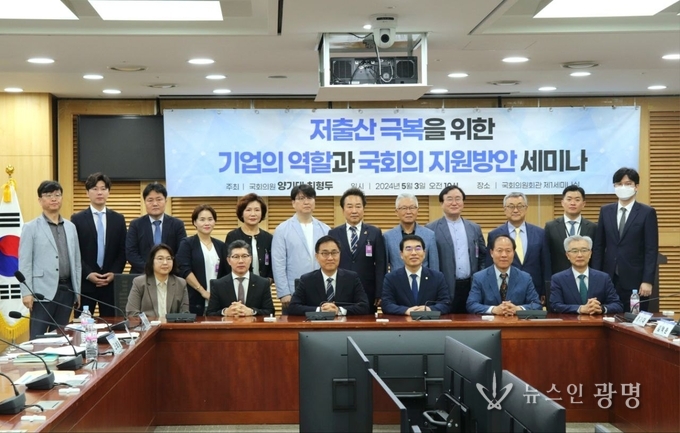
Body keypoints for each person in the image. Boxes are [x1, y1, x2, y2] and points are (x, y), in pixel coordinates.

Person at [19, 181, 82, 339]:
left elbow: (76, 262)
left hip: (67, 290)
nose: (54, 199)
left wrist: (77, 291)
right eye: (48, 195)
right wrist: (26, 293)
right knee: (37, 337)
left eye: (57, 195)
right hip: (41, 292)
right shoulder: (30, 227)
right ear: (40, 200)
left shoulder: (70, 227)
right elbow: (25, 262)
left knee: (61, 337)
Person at [592, 167, 659, 312]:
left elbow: (651, 249)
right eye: (619, 184)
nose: (623, 187)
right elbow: (599, 247)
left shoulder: (647, 212)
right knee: (606, 318)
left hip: (635, 280)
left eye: (628, 184)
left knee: (633, 320)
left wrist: (647, 280)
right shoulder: (605, 211)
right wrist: (596, 277)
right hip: (608, 278)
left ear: (636, 187)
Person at [71, 172, 127, 318]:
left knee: (112, 324)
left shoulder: (118, 219)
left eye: (103, 188)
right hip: (85, 283)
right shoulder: (77, 219)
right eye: (95, 189)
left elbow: (123, 251)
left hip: (110, 284)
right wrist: (88, 274)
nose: (99, 192)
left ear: (109, 192)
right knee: (82, 325)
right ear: (87, 193)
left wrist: (114, 273)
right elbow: (74, 251)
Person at [426, 185, 486, 313]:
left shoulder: (474, 228)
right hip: (444, 286)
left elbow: (482, 256)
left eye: (458, 199)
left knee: (472, 320)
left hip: (471, 286)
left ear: (463, 202)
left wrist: (479, 278)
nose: (454, 203)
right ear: (441, 203)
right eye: (449, 199)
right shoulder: (431, 229)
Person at [272, 184, 330, 311]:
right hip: (293, 292)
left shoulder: (325, 229)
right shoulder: (282, 229)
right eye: (301, 198)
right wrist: (283, 292)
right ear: (293, 203)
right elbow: (278, 263)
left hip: (321, 290)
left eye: (310, 198)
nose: (306, 202)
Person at [328, 188, 386, 313]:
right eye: (349, 206)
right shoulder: (333, 233)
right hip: (341, 289)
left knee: (367, 322)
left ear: (363, 208)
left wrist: (379, 292)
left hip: (367, 290)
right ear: (343, 210)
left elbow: (381, 265)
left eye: (358, 206)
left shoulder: (374, 232)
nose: (354, 211)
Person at [486, 192, 551, 303]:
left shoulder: (540, 233)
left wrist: (545, 291)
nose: (515, 210)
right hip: (504, 290)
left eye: (520, 206)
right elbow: (489, 265)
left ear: (526, 208)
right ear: (504, 209)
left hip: (534, 290)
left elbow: (546, 264)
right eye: (511, 206)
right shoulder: (494, 234)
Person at [288, 236, 369, 316]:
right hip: (315, 324)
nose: (330, 258)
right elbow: (293, 307)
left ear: (340, 254)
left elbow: (364, 306)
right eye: (325, 253)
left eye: (334, 253)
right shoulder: (307, 280)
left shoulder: (352, 278)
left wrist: (339, 310)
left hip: (343, 323)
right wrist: (320, 310)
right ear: (317, 257)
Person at [467, 235, 542, 315]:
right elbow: (471, 305)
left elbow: (537, 305)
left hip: (516, 322)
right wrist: (494, 309)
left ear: (513, 253)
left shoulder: (525, 278)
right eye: (499, 250)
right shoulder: (479, 277)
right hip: (491, 322)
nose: (504, 255)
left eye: (508, 251)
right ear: (491, 253)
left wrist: (518, 309)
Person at [176, 205, 228, 315]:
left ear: (214, 222)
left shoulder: (221, 245)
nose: (207, 223)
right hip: (194, 299)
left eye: (210, 219)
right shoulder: (187, 243)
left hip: (217, 301)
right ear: (195, 222)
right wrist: (203, 291)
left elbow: (225, 273)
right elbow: (184, 270)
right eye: (202, 220)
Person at [550, 235, 623, 315]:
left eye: (584, 250)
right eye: (574, 251)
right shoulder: (558, 279)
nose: (580, 255)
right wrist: (580, 309)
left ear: (590, 253)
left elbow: (617, 305)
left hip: (597, 322)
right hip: (570, 322)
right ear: (567, 255)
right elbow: (555, 306)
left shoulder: (603, 278)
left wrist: (601, 308)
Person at [381, 235, 451, 316]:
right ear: (401, 254)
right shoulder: (391, 278)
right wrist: (406, 310)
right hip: (402, 322)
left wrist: (429, 309)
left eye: (418, 248)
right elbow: (386, 305)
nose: (414, 253)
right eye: (408, 249)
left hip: (429, 322)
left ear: (424, 253)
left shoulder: (437, 277)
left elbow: (446, 304)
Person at [126, 182, 187, 274]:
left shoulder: (177, 224)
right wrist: (150, 270)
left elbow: (181, 252)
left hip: (170, 275)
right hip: (142, 275)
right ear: (145, 202)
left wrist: (166, 269)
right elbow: (131, 253)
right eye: (150, 200)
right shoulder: (136, 225)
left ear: (165, 201)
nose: (155, 204)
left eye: (159, 199)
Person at [206, 240, 274, 317]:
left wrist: (252, 312)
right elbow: (210, 314)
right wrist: (225, 312)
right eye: (236, 257)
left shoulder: (263, 283)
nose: (241, 261)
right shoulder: (218, 285)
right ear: (228, 260)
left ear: (250, 259)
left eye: (244, 256)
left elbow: (270, 312)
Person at [544, 185, 597, 275]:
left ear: (583, 204)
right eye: (569, 199)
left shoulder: (593, 227)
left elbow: (596, 255)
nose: (573, 203)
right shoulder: (550, 227)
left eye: (577, 200)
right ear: (562, 203)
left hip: (585, 275)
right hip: (558, 276)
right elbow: (546, 256)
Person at [126, 243, 189, 318]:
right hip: (147, 325)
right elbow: (132, 314)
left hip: (172, 325)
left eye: (169, 259)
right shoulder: (139, 282)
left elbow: (185, 314)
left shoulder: (181, 283)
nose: (165, 263)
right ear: (152, 261)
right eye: (160, 259)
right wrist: (156, 322)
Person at [383, 193, 438, 272]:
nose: (408, 212)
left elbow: (434, 268)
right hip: (397, 279)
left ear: (417, 210)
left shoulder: (430, 235)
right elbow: (383, 268)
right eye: (404, 208)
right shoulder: (387, 237)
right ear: (396, 212)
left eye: (412, 207)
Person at [224, 193, 273, 283]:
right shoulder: (233, 236)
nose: (253, 214)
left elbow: (274, 265)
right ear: (242, 213)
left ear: (262, 213)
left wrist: (267, 281)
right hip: (238, 285)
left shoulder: (268, 238)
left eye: (257, 210)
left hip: (263, 287)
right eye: (248, 210)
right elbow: (227, 265)